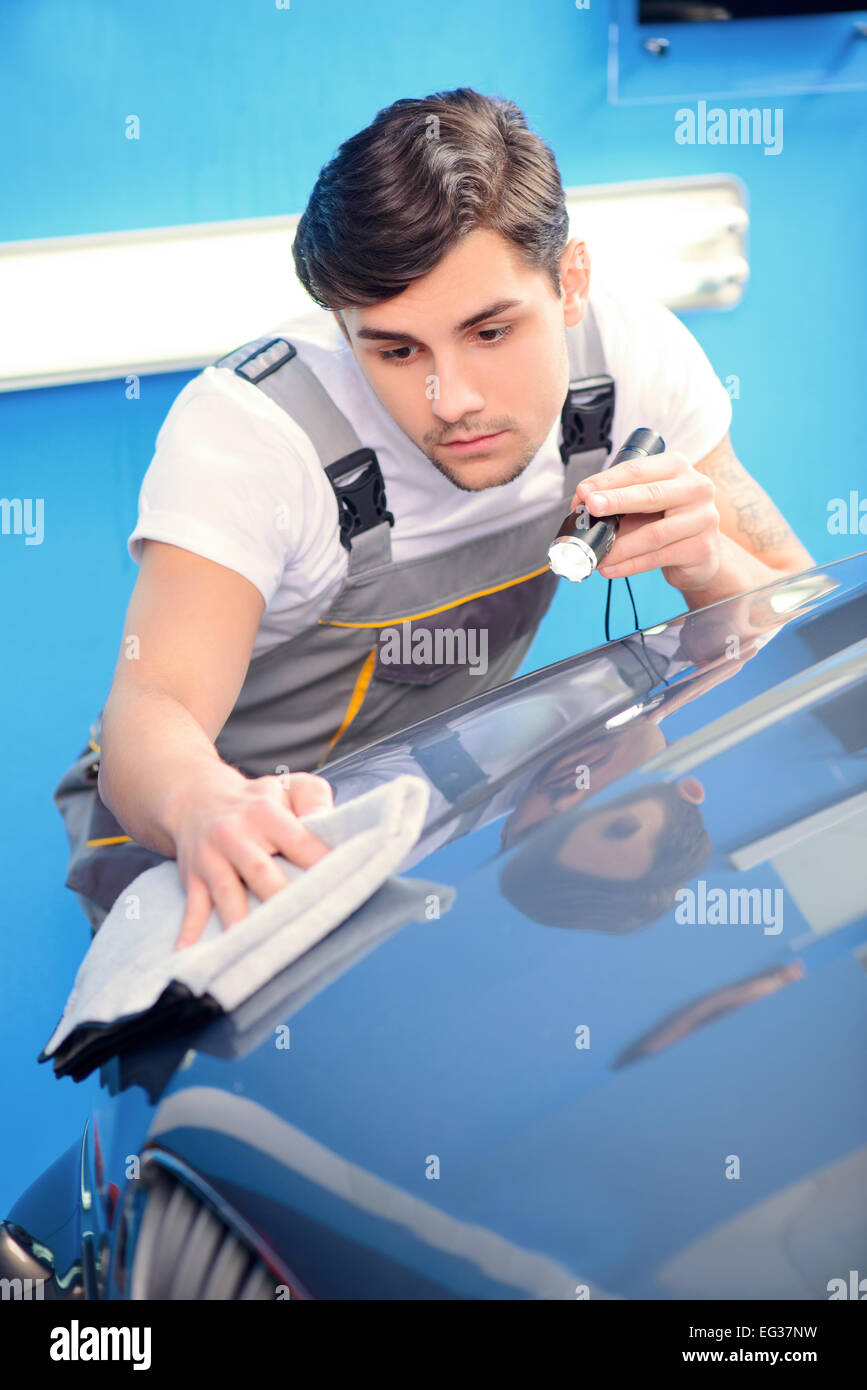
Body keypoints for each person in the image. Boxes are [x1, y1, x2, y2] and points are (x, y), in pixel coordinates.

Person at [56, 87, 815, 949]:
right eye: (395, 349)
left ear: (570, 283)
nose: (450, 402)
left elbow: (807, 624)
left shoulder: (633, 364)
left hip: (416, 805)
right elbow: (149, 708)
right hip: (193, 831)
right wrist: (203, 806)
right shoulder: (256, 433)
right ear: (344, 332)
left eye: (489, 333)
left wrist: (708, 564)